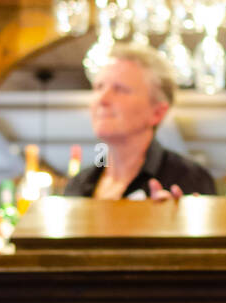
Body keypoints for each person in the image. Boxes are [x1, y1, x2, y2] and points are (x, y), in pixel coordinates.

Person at [64, 44, 216, 201]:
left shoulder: (188, 179)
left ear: (157, 112)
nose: (102, 99)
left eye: (120, 89)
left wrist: (177, 222)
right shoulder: (78, 185)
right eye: (99, 87)